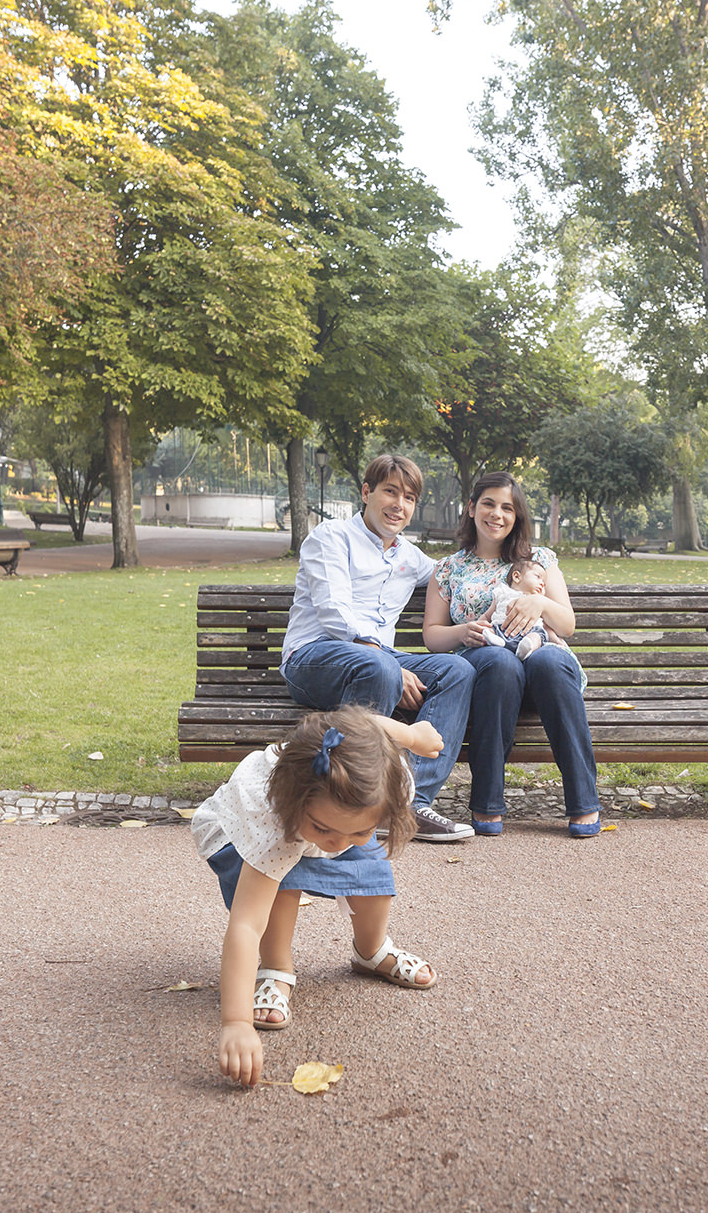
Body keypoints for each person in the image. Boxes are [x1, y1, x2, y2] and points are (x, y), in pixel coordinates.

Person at [193, 705, 439, 1088]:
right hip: (249, 830)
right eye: (325, 829)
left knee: (372, 873)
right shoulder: (272, 821)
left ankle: (371, 951)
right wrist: (236, 1023)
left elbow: (368, 726)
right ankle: (276, 969)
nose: (337, 844)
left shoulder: (383, 781)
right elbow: (245, 923)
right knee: (280, 889)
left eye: (358, 831)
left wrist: (411, 737)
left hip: (326, 812)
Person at [279, 453, 476, 841]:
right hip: (314, 657)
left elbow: (454, 576)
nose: (398, 505)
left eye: (409, 498)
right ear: (366, 492)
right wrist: (383, 660)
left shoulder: (411, 557)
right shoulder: (331, 537)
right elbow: (335, 613)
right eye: (390, 492)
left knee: (457, 671)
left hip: (377, 661)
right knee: (381, 668)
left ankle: (409, 803)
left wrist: (524, 585)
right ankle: (352, 798)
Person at [422, 470, 601, 839]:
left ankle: (584, 802)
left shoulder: (540, 560)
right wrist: (463, 631)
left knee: (551, 659)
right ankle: (487, 803)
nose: (497, 514)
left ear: (517, 515)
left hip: (543, 672)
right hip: (487, 667)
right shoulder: (448, 569)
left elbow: (566, 625)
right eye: (488, 504)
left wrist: (539, 600)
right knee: (501, 661)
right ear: (471, 508)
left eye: (507, 507)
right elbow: (432, 636)